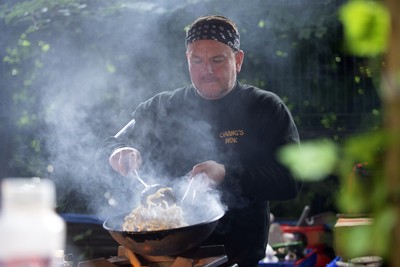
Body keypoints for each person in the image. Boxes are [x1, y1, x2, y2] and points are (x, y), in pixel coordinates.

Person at [96, 15, 302, 267]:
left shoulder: (264, 107)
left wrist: (227, 174)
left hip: (237, 257)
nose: (208, 70)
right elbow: (109, 144)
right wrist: (118, 151)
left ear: (237, 61)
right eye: (197, 60)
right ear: (187, 60)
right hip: (162, 257)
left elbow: (290, 181)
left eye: (217, 60)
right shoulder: (162, 107)